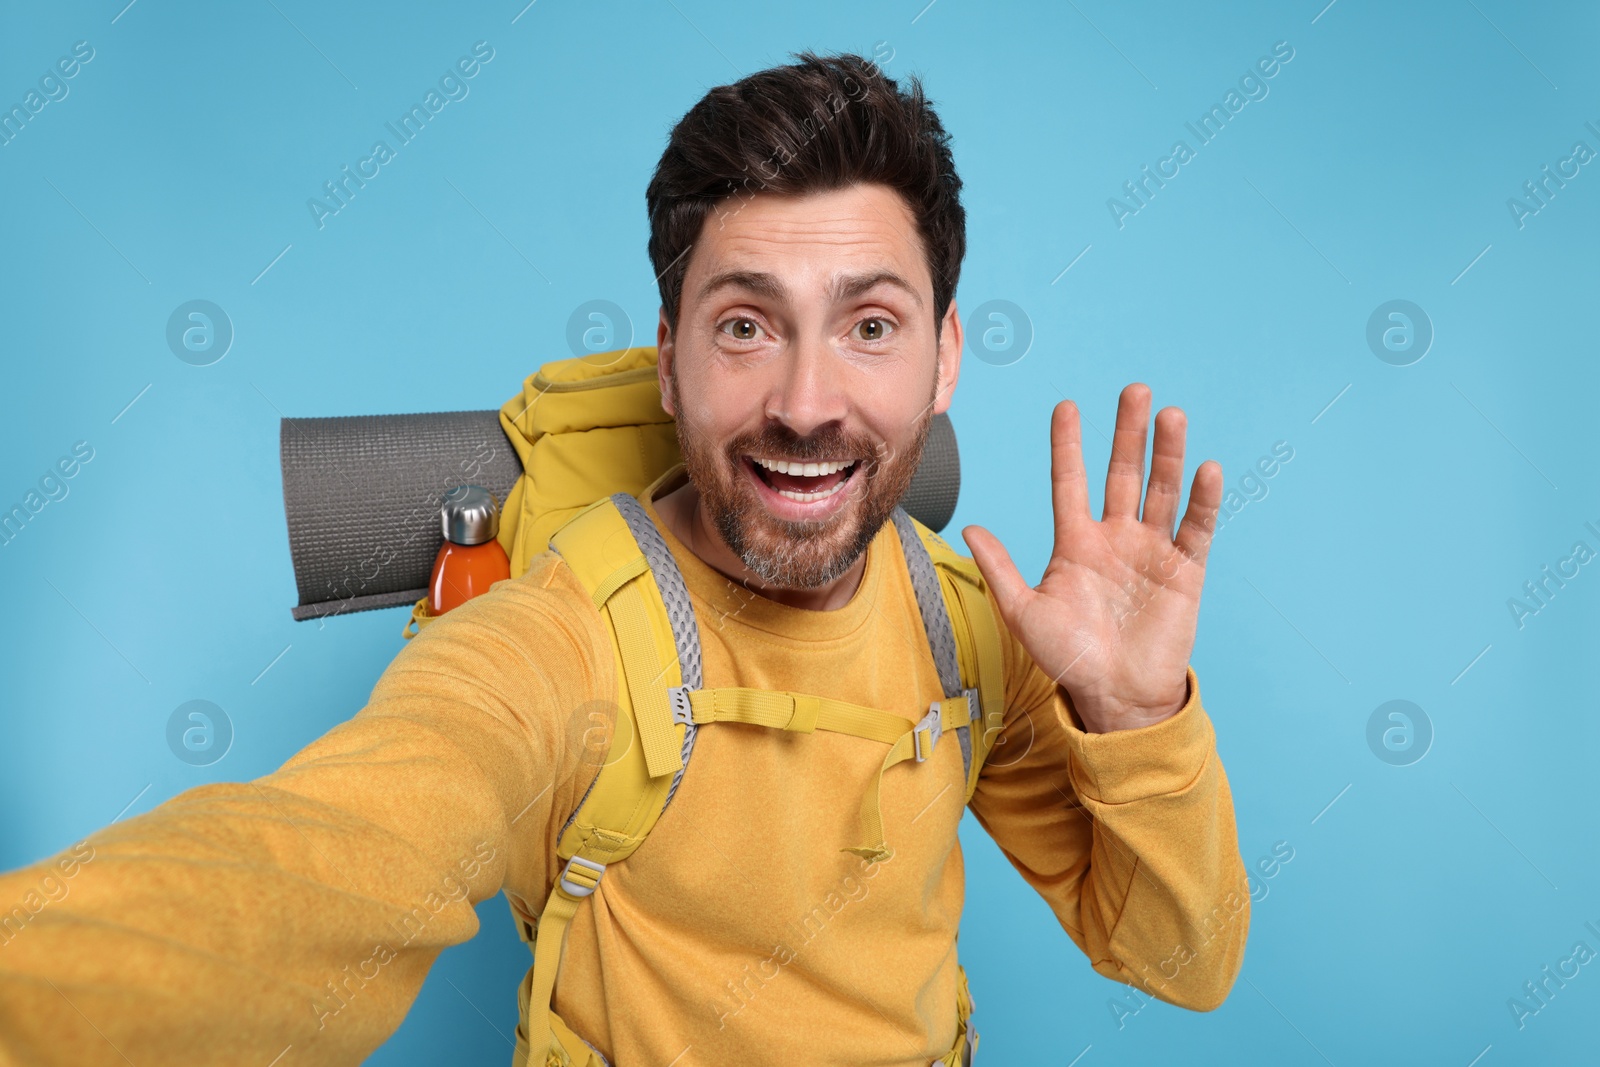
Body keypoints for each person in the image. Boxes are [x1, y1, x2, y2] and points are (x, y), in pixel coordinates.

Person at [0, 50, 1247, 1067]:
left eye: (870, 325)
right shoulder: (565, 632)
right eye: (745, 325)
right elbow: (326, 860)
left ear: (947, 354)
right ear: (667, 357)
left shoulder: (972, 621)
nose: (808, 400)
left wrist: (1135, 719)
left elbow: (1184, 966)